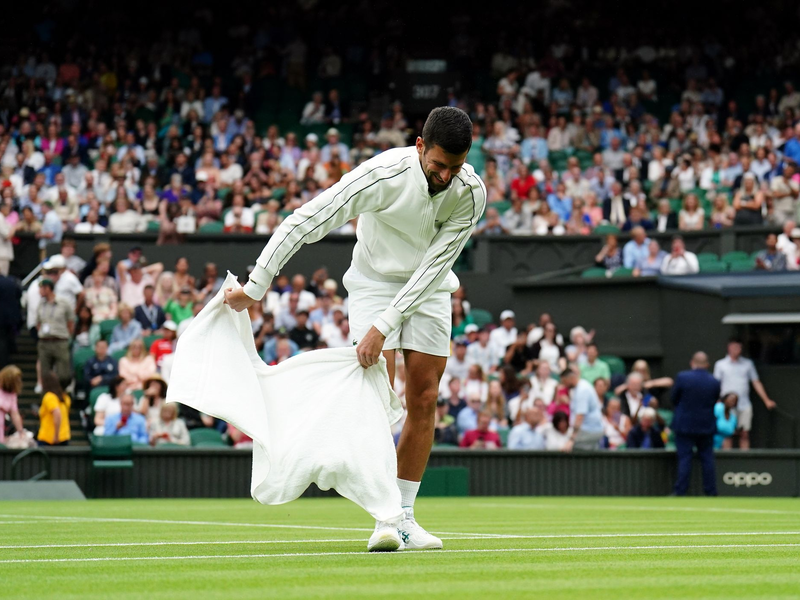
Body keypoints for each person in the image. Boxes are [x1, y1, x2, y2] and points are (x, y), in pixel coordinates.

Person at [224, 107, 485, 552]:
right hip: (371, 284)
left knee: (423, 397)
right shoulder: (381, 175)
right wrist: (257, 285)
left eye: (454, 167)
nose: (444, 176)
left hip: (430, 287)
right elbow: (308, 219)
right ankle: (383, 516)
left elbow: (433, 267)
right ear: (419, 146)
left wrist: (385, 327)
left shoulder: (470, 193)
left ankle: (403, 516)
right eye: (438, 164)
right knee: (374, 397)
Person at [672, 351, 720, 496]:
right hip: (706, 425)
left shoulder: (682, 377)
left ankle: (681, 491)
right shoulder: (714, 381)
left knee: (685, 458)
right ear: (707, 365)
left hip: (685, 426)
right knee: (707, 459)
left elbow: (674, 398)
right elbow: (714, 399)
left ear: (692, 363)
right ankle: (711, 492)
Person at [713, 338, 776, 450]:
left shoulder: (748, 364)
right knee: (727, 434)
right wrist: (716, 400)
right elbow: (715, 384)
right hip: (726, 406)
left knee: (744, 434)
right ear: (729, 348)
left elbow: (756, 382)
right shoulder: (720, 365)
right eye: (733, 347)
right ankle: (727, 462)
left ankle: (745, 463)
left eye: (738, 347)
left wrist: (766, 400)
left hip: (744, 404)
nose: (736, 350)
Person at [36, 278, 74, 388]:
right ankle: (46, 396)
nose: (40, 291)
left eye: (42, 289)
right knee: (45, 373)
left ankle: (62, 392)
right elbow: (38, 323)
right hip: (44, 342)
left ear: (48, 289)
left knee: (63, 373)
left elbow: (70, 322)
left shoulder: (63, 303)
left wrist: (66, 335)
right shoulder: (41, 304)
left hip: (60, 341)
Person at [560, 365, 604, 450]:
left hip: (590, 430)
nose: (564, 385)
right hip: (589, 430)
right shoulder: (579, 387)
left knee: (572, 448)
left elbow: (580, 417)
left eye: (564, 381)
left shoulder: (582, 390)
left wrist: (572, 440)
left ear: (571, 378)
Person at [37, 371, 71, 446]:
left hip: (48, 439)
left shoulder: (49, 396)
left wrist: (56, 435)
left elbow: (57, 413)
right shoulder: (66, 398)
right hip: (64, 437)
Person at [0, 365, 24, 444]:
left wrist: (21, 432)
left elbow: (15, 414)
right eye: (16, 379)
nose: (19, 381)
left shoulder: (12, 395)